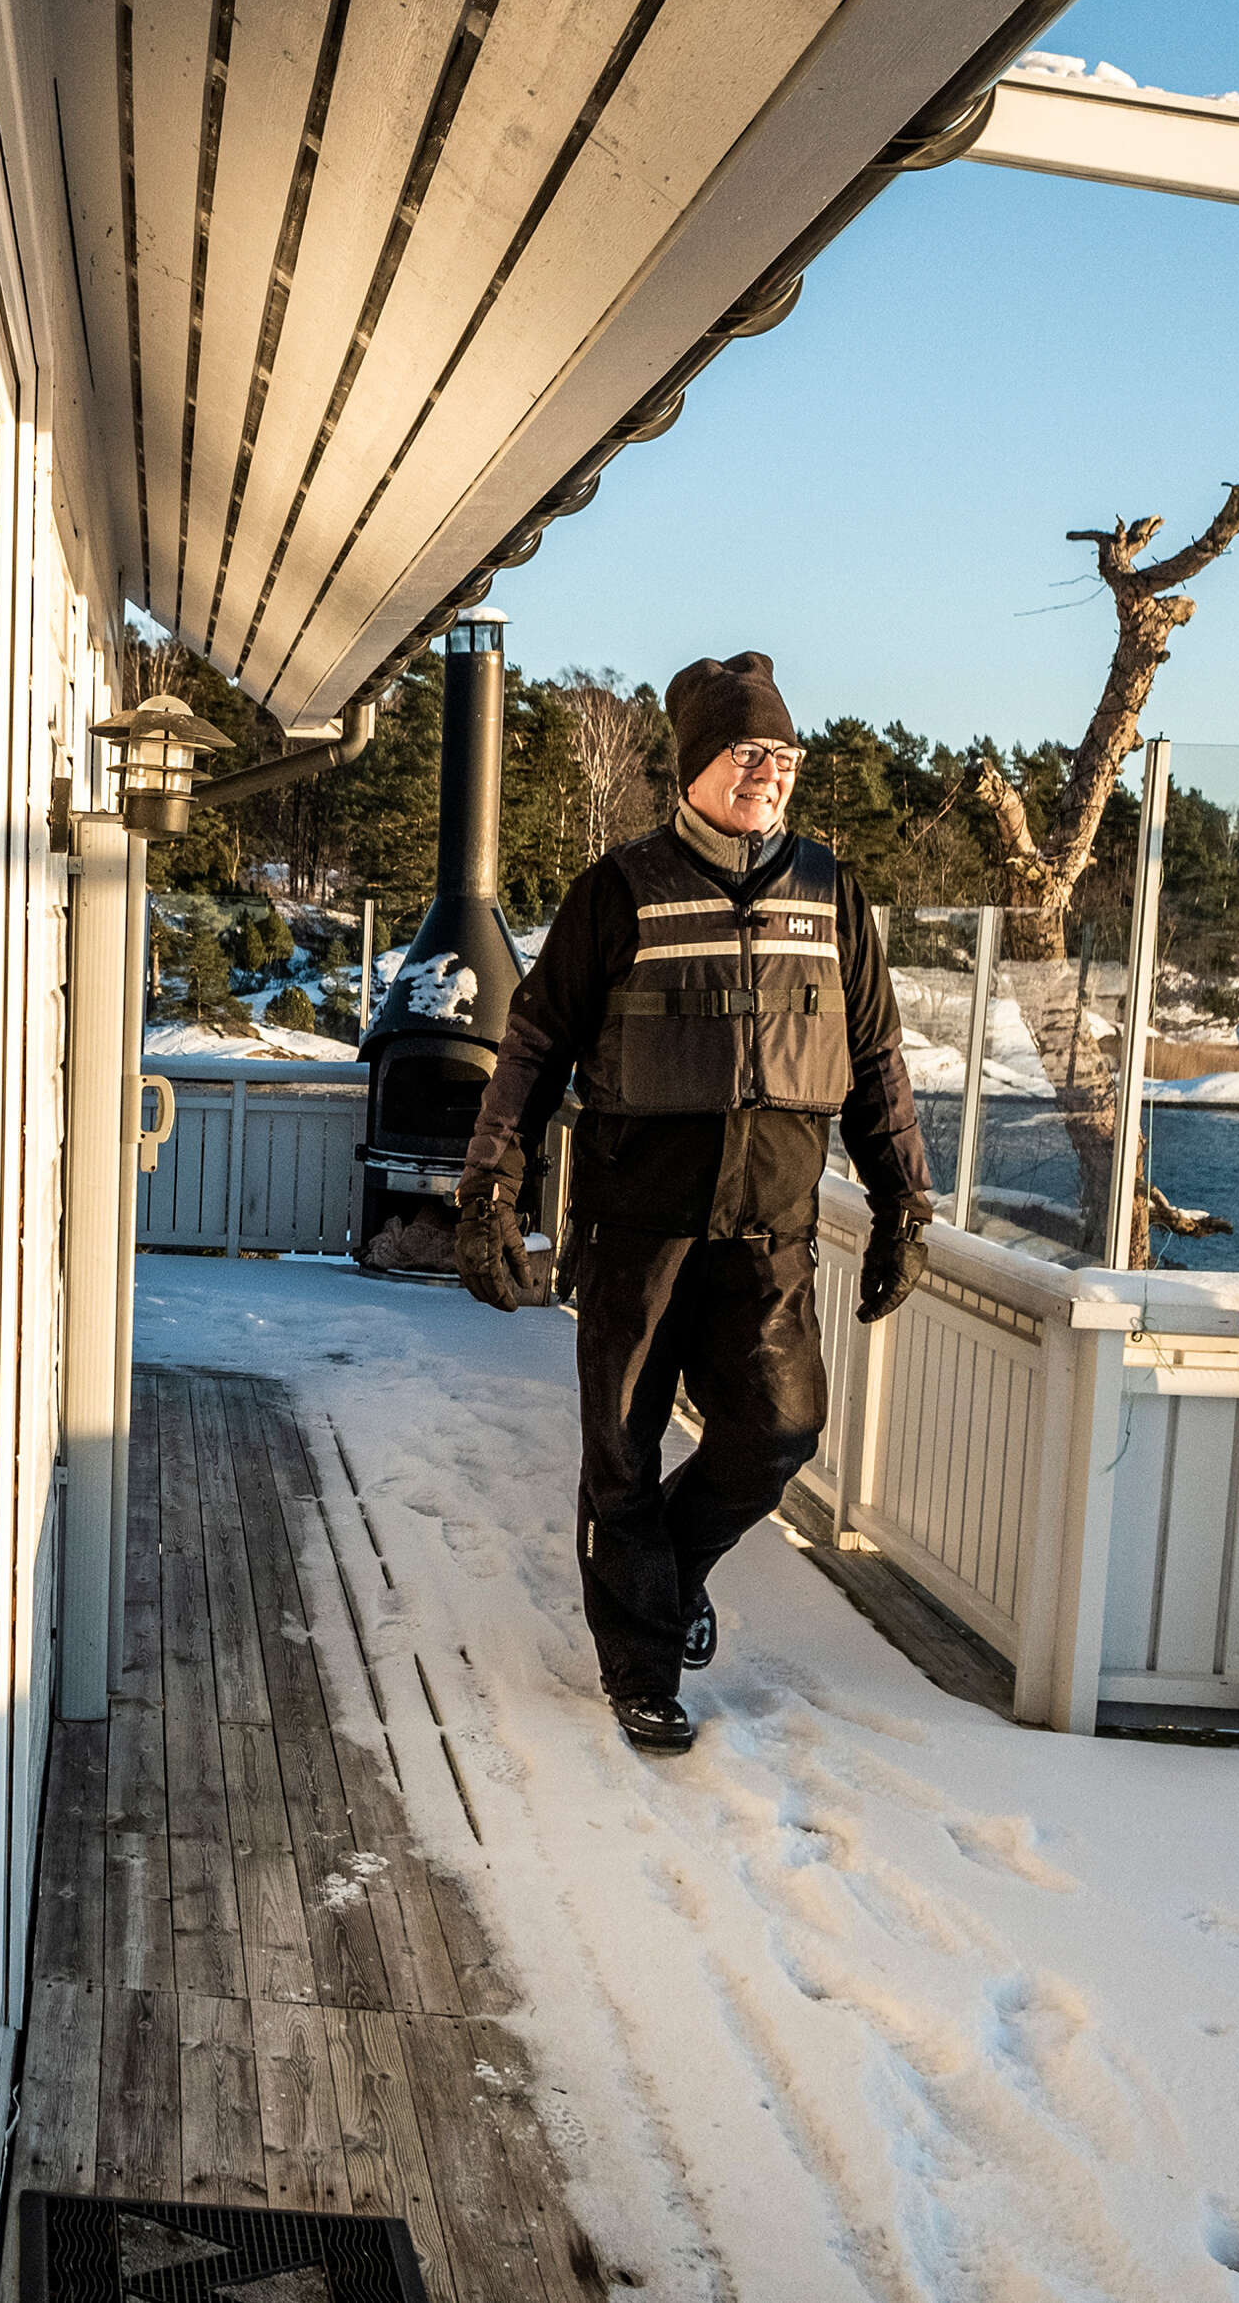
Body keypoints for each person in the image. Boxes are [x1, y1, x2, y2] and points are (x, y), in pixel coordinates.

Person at [451, 652, 932, 1754]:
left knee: (779, 1428)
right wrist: (489, 1190)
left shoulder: (830, 892)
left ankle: (663, 1575)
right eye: (746, 753)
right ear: (695, 766)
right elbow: (533, 1049)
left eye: (784, 755)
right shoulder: (618, 890)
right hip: (636, 1230)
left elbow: (874, 1057)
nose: (769, 772)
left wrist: (904, 1202)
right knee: (621, 1449)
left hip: (770, 1236)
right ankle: (643, 1671)